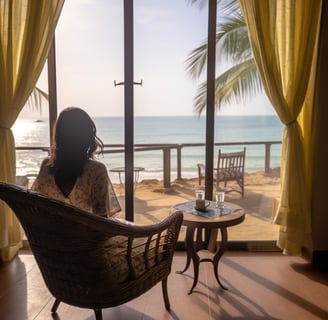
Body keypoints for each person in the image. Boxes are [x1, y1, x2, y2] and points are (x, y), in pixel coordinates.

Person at [32, 107, 121, 217]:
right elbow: (101, 219)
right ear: (87, 137)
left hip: (46, 233)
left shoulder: (47, 165)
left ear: (59, 136)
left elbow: (36, 207)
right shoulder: (96, 170)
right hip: (84, 234)